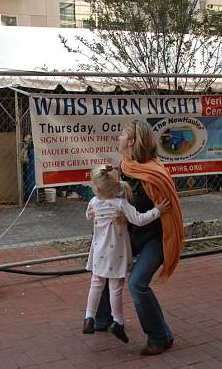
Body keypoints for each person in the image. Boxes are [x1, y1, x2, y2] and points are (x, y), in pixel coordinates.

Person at [90, 120, 184, 356]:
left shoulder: (154, 173)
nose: (118, 137)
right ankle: (103, 319)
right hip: (132, 233)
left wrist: (130, 217)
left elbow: (167, 210)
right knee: (103, 263)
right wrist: (97, 208)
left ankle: (160, 337)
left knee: (137, 284)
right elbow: (111, 198)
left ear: (132, 141)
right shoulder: (125, 166)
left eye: (122, 134)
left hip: (156, 236)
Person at [83, 164, 170, 344]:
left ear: (96, 188)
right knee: (116, 288)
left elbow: (89, 216)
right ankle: (118, 322)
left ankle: (89, 317)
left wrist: (92, 216)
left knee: (96, 283)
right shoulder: (121, 204)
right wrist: (158, 211)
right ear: (117, 187)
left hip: (98, 251)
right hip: (117, 253)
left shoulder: (93, 203)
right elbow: (139, 219)